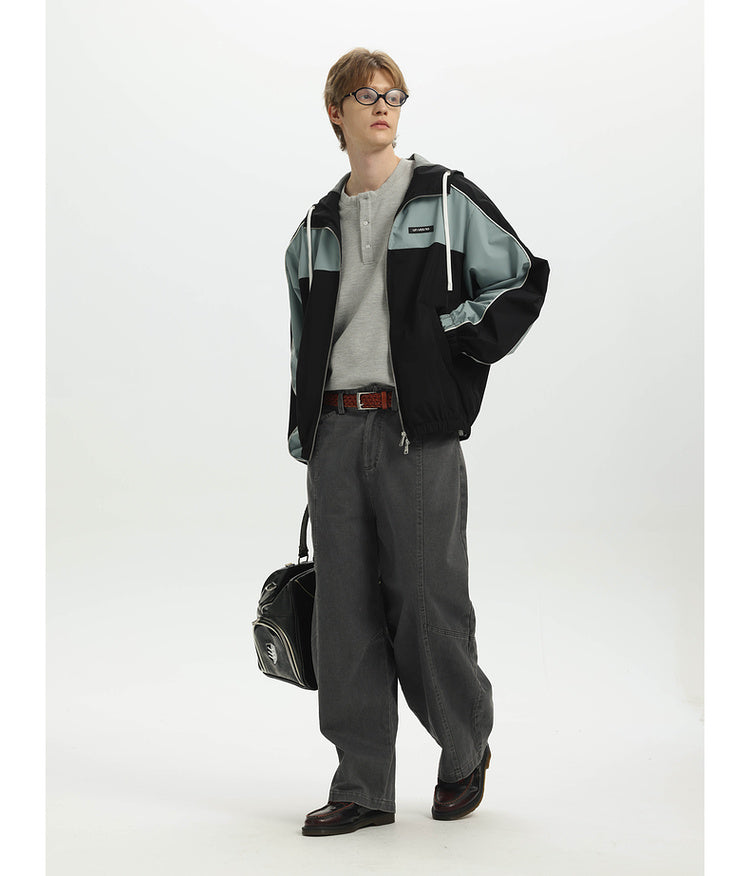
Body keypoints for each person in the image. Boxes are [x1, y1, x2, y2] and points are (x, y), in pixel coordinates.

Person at [284, 48, 550, 837]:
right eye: (366, 94)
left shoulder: (443, 195)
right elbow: (303, 342)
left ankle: (465, 747)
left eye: (394, 95)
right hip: (336, 432)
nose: (383, 105)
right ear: (335, 111)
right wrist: (305, 429)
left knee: (428, 605)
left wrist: (449, 339)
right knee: (343, 617)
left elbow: (521, 277)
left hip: (416, 434)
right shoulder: (312, 229)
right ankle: (363, 785)